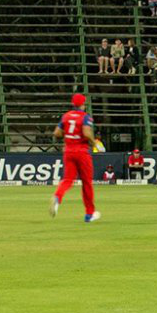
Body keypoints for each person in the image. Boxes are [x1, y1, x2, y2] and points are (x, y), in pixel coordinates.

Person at [49, 93, 100, 222]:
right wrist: (94, 143)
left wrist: (70, 135)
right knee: (87, 183)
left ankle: (57, 197)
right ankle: (89, 214)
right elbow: (87, 133)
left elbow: (56, 133)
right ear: (83, 104)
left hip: (68, 151)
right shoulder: (85, 117)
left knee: (67, 180)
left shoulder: (66, 116)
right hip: (82, 151)